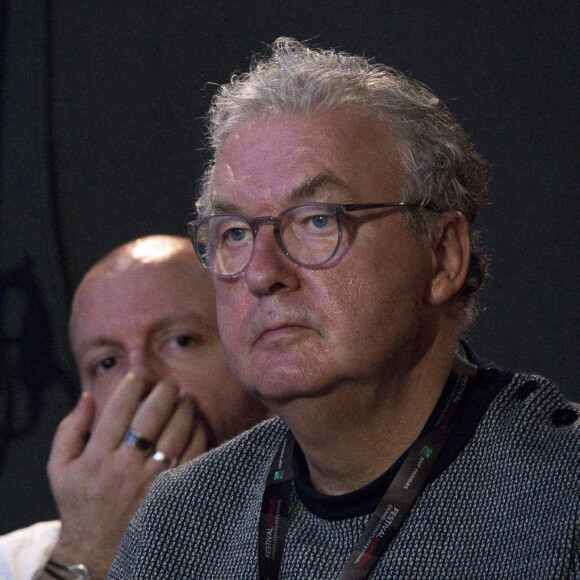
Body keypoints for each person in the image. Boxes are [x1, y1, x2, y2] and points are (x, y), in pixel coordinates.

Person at [109, 38, 579, 579]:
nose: (263, 273)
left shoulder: (562, 501)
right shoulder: (179, 526)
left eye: (317, 221)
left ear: (443, 256)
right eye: (235, 232)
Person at [0, 235, 271, 580]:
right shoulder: (14, 563)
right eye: (108, 362)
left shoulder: (330, 547)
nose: (139, 379)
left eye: (181, 341)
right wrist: (88, 551)